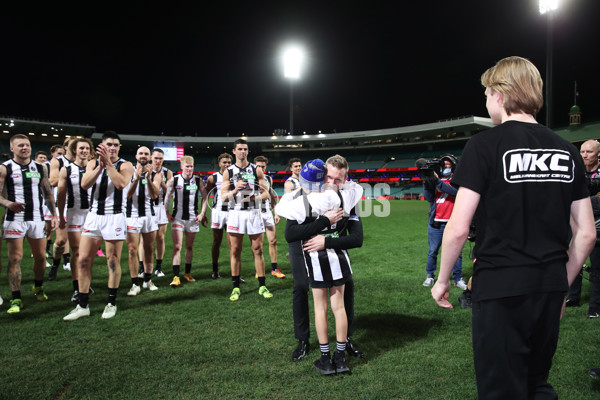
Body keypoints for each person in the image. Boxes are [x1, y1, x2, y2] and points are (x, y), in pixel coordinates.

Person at [430, 56, 596, 399]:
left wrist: (443, 279)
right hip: (549, 285)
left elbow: (458, 226)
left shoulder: (483, 145)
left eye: (487, 94)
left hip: (501, 284)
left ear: (500, 95)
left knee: (501, 388)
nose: (486, 101)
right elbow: (586, 233)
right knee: (536, 383)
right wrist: (561, 284)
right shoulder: (567, 150)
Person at [276, 157, 363, 374]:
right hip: (303, 246)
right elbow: (291, 234)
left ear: (346, 178)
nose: (333, 183)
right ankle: (303, 340)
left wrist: (326, 240)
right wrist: (324, 222)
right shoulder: (305, 197)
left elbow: (357, 238)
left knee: (339, 293)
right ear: (321, 176)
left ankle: (342, 343)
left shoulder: (347, 197)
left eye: (338, 179)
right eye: (329, 177)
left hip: (328, 247)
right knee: (300, 286)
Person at [63, 130, 133, 321]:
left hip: (115, 216)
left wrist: (108, 164)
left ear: (119, 147)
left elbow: (120, 184)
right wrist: (100, 167)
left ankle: (111, 302)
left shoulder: (126, 165)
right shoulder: (93, 163)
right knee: (83, 259)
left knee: (112, 260)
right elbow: (85, 184)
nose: (112, 148)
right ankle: (83, 305)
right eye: (108, 144)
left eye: (115, 145)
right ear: (101, 146)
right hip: (94, 215)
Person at [0, 134, 58, 314]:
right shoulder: (5, 168)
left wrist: (54, 214)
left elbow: (48, 193)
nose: (24, 148)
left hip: (36, 218)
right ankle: (16, 297)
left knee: (41, 257)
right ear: (12, 149)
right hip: (14, 219)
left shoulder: (40, 168)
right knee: (15, 258)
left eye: (27, 145)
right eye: (20, 145)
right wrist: (9, 203)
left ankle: (38, 287)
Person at [221, 139, 272, 301]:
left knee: (258, 250)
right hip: (235, 213)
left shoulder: (256, 169)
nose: (243, 152)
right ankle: (235, 287)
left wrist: (254, 197)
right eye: (240, 149)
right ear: (234, 151)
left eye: (245, 149)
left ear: (248, 151)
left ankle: (262, 285)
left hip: (253, 213)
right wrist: (235, 189)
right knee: (235, 251)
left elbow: (266, 193)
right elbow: (223, 197)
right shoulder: (228, 171)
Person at [56, 138, 94, 303]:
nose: (84, 151)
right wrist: (61, 215)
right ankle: (76, 287)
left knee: (89, 254)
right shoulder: (67, 169)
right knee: (77, 251)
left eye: (87, 148)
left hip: (93, 214)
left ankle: (86, 283)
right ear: (74, 150)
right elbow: (61, 194)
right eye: (81, 148)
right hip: (75, 213)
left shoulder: (96, 168)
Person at [421, 155, 467, 290]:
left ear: (453, 166)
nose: (445, 166)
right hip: (436, 222)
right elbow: (429, 199)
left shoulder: (457, 180)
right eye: (443, 164)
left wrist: (437, 181)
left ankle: (458, 279)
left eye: (448, 164)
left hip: (453, 222)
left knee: (457, 253)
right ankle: (430, 276)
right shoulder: (434, 179)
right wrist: (427, 183)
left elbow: (455, 192)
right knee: (432, 251)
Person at [565, 139, 600, 317]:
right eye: (582, 152)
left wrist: (583, 203)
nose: (585, 155)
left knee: (597, 265)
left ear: (598, 154)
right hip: (576, 221)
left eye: (589, 152)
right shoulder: (576, 171)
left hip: (598, 224)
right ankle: (573, 297)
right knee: (574, 259)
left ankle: (595, 307)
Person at [164, 155, 208, 287]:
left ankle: (187, 273)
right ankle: (176, 276)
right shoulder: (175, 179)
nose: (189, 169)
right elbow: (167, 197)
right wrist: (166, 213)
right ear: (181, 166)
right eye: (187, 166)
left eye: (191, 166)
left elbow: (205, 197)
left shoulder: (198, 180)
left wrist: (202, 213)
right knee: (177, 247)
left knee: (189, 247)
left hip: (193, 219)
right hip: (177, 218)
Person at [125, 146, 162, 296]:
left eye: (146, 153)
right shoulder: (128, 172)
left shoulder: (156, 175)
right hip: (132, 215)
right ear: (136, 155)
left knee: (148, 249)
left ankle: (148, 280)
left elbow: (155, 195)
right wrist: (137, 178)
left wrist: (147, 178)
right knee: (132, 250)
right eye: (141, 153)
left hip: (149, 216)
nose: (143, 155)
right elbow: (127, 194)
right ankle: (135, 283)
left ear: (150, 157)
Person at [254, 155, 285, 278]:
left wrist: (275, 212)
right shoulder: (250, 179)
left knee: (273, 241)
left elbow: (271, 196)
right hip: (256, 213)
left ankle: (274, 269)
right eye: (258, 166)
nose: (261, 168)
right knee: (258, 245)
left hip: (267, 213)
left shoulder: (268, 178)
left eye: (263, 166)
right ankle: (258, 270)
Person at [48, 137, 74, 279]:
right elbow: (52, 180)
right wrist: (71, 174)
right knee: (61, 241)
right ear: (65, 147)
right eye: (73, 145)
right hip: (62, 204)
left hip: (80, 206)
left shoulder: (86, 163)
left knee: (79, 245)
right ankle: (56, 264)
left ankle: (79, 281)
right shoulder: (57, 161)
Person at [205, 152, 232, 279]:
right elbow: (205, 196)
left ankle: (235, 273)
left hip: (232, 212)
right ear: (219, 163)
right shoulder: (213, 178)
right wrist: (203, 212)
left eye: (229, 162)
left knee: (233, 244)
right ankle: (215, 270)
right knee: (216, 242)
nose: (227, 164)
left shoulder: (236, 176)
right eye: (224, 162)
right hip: (217, 212)